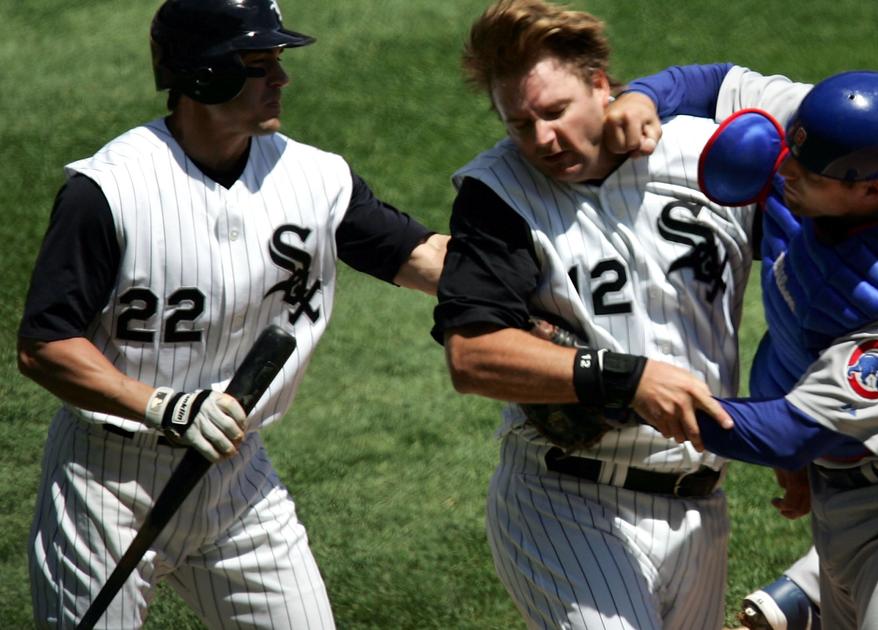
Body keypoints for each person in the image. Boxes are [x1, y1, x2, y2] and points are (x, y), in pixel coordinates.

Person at [17, 0, 447, 627]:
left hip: (238, 481)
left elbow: (423, 257)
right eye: (259, 62)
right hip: (107, 481)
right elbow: (44, 346)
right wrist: (165, 406)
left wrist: (532, 281)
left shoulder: (313, 178)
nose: (282, 78)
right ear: (202, 75)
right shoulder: (109, 191)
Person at [608, 65, 878, 629]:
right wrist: (641, 97)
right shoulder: (834, 134)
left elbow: (795, 432)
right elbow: (715, 80)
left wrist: (625, 392)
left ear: (871, 189)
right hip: (839, 505)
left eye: (804, 171)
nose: (784, 169)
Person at [432, 1, 762, 628]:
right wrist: (626, 378)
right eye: (519, 123)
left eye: (555, 112)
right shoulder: (497, 195)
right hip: (566, 503)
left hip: (701, 502)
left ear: (602, 86)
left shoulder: (701, 158)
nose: (542, 140)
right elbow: (472, 355)